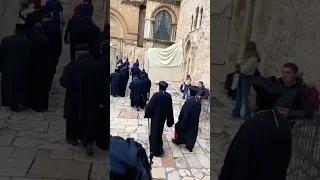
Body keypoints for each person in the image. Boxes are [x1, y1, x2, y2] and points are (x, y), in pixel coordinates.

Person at [219, 85, 292, 180]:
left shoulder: (251, 126)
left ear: (259, 100)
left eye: (251, 95)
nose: (249, 98)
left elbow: (236, 160)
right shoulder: (283, 124)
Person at [60, 51, 109, 156]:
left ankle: (72, 138)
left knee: (72, 119)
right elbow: (103, 83)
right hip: (92, 98)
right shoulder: (97, 65)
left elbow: (64, 82)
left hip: (74, 98)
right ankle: (88, 141)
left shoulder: (72, 65)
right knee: (89, 120)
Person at [0, 24, 34, 111]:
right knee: (19, 86)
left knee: (9, 86)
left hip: (8, 68)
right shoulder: (28, 43)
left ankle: (10, 102)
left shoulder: (6, 40)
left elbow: (1, 56)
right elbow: (30, 58)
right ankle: (18, 101)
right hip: (22, 69)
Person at [231, 42, 260, 121]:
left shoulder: (253, 58)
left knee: (246, 98)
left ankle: (247, 115)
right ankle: (236, 113)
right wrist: (240, 66)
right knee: (239, 97)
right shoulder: (246, 57)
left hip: (247, 79)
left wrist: (240, 67)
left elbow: (244, 70)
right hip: (241, 78)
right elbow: (238, 63)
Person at [144, 81, 174, 157]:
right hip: (163, 117)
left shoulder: (156, 95)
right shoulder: (168, 96)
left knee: (154, 132)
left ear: (159, 87)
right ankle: (158, 146)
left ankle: (155, 150)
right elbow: (170, 108)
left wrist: (147, 108)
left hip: (155, 117)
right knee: (160, 131)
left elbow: (150, 106)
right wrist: (169, 119)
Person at [27, 23, 50, 112]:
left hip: (33, 66)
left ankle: (32, 103)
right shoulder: (46, 41)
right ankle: (41, 105)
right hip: (43, 67)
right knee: (42, 87)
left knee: (33, 85)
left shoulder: (31, 40)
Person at [172, 86, 201, 152]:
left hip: (187, 120)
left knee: (179, 127)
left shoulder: (189, 101)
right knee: (192, 132)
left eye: (188, 91)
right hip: (194, 120)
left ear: (190, 92)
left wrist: (181, 119)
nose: (187, 92)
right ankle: (190, 146)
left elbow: (184, 112)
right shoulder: (198, 101)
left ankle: (178, 141)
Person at [42, 9, 62, 93]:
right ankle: (48, 86)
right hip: (53, 53)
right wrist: (58, 53)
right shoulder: (56, 27)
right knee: (50, 71)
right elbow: (59, 42)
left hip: (43, 53)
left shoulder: (42, 26)